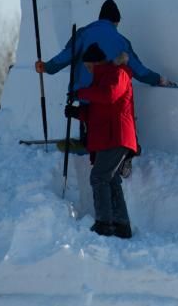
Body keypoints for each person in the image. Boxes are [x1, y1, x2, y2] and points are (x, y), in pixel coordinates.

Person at [65, 43, 137, 238]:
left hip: (116, 136)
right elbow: (99, 112)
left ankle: (104, 223)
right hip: (109, 136)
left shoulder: (117, 73)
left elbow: (109, 96)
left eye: (89, 66)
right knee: (110, 179)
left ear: (97, 62)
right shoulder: (101, 80)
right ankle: (121, 225)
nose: (88, 70)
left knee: (99, 177)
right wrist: (77, 112)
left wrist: (80, 93)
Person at [35, 0, 175, 91]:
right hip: (108, 97)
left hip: (84, 93)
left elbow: (66, 56)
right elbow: (139, 71)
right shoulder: (122, 42)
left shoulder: (84, 33)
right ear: (116, 21)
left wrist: (47, 67)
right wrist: (159, 80)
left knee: (90, 133)